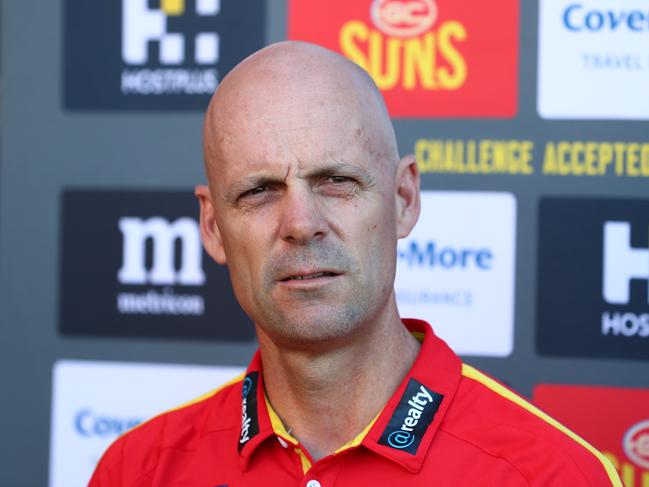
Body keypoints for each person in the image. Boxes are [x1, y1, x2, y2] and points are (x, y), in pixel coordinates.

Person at [89, 41, 621, 486]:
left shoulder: (551, 473)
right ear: (212, 228)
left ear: (403, 199)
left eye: (336, 181)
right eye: (258, 191)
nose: (300, 222)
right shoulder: (138, 470)